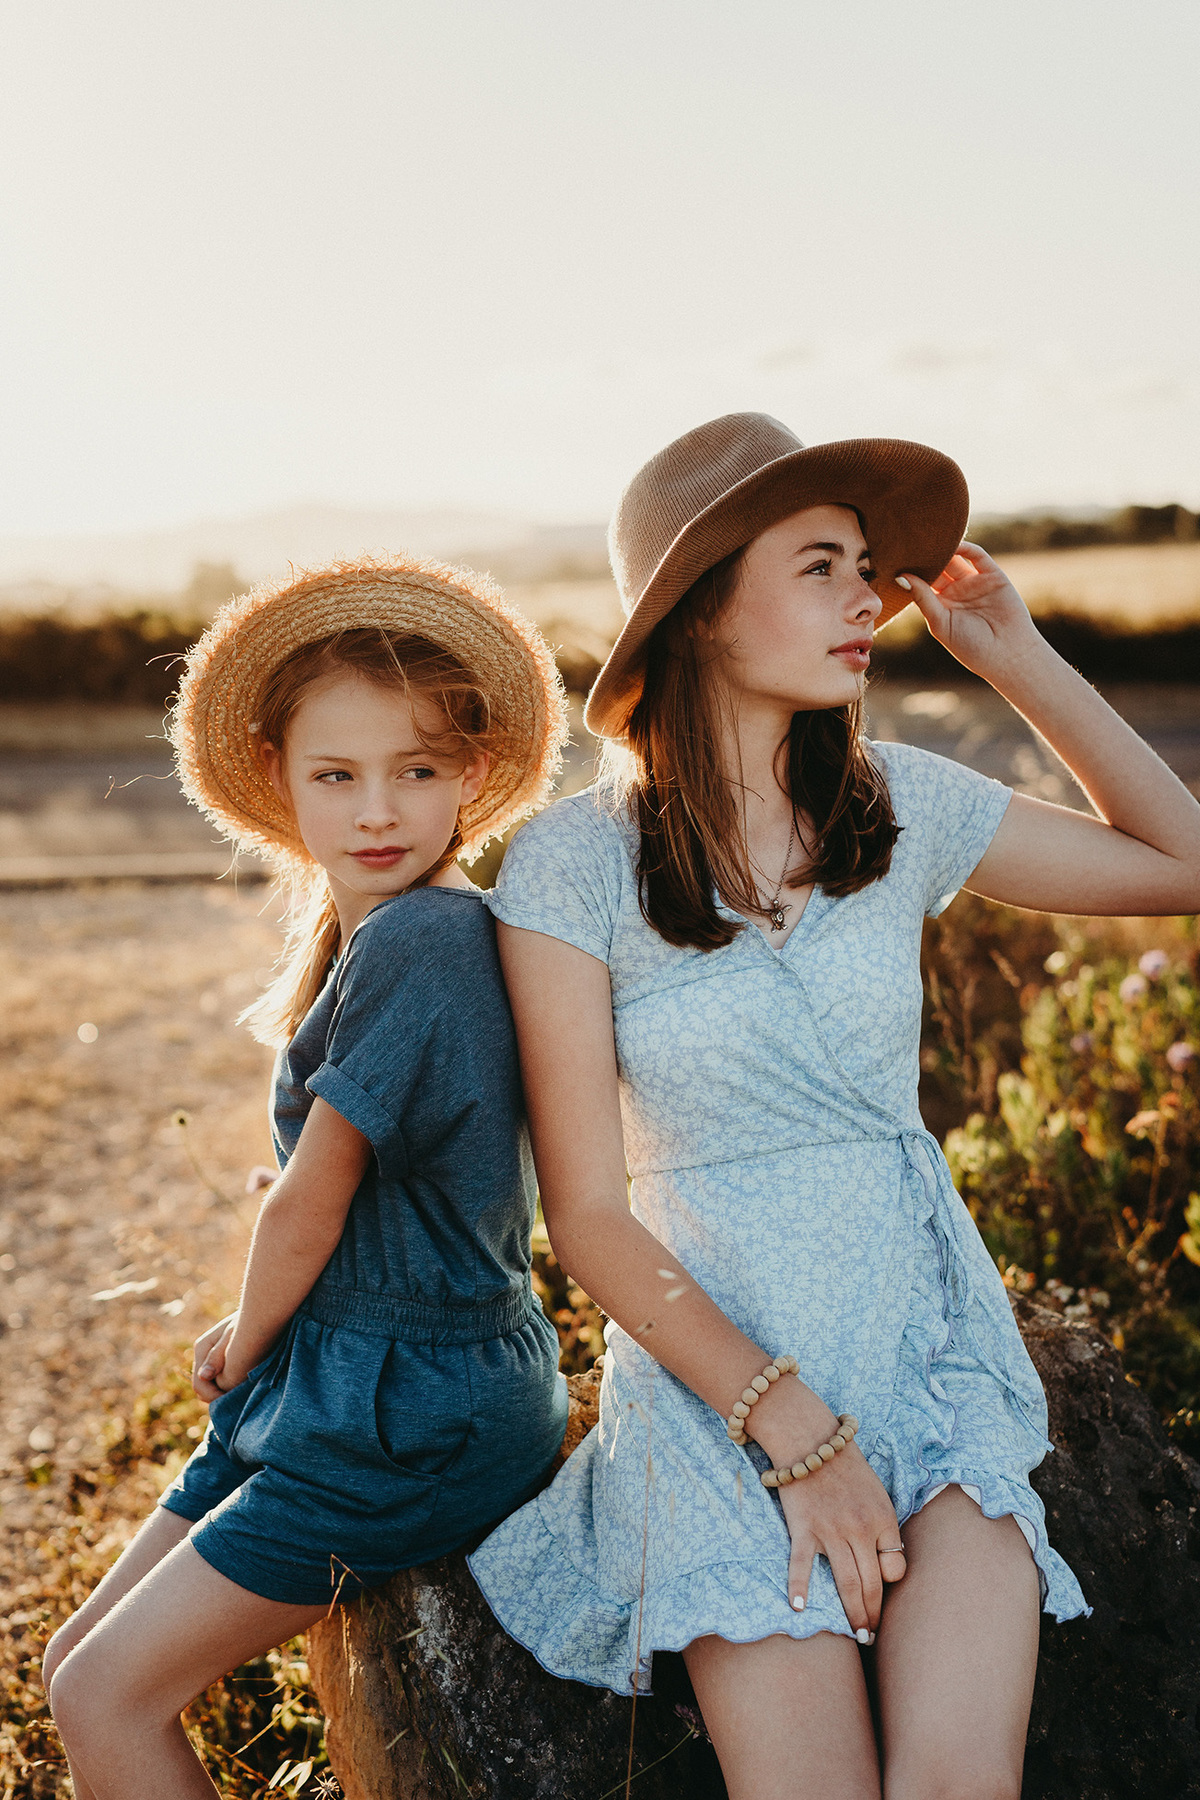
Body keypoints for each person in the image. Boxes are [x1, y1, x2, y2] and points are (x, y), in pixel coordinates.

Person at [468, 414, 1200, 1799]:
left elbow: (1185, 863)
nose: (870, 597)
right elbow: (586, 1213)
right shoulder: (569, 866)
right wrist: (789, 1429)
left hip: (928, 1357)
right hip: (716, 1402)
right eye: (822, 565)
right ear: (697, 610)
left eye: (868, 566)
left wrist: (1020, 658)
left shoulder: (899, 807)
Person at [43, 556, 571, 1799]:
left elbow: (310, 1198)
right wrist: (271, 1339)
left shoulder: (433, 938)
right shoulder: (378, 926)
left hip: (413, 1403)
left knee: (106, 1699)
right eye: (338, 775)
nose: (376, 809)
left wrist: (247, 1327)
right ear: (281, 779)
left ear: (473, 777)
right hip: (336, 1368)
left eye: (417, 772)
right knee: (76, 1666)